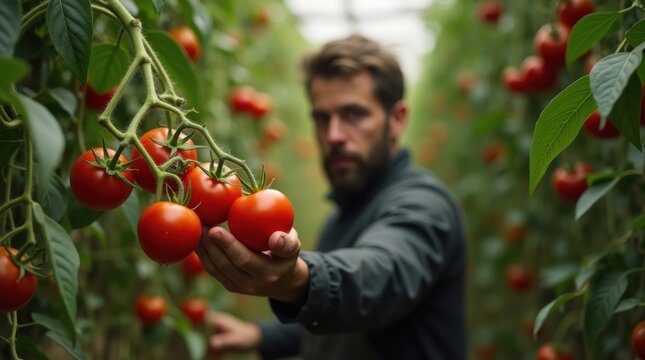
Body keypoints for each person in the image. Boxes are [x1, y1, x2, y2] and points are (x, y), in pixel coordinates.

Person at [196, 34, 467, 359]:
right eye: (322, 118)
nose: (334, 135)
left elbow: (379, 279)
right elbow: (337, 325)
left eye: (354, 114)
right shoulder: (343, 216)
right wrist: (261, 335)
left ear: (396, 120)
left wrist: (298, 280)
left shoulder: (426, 205)